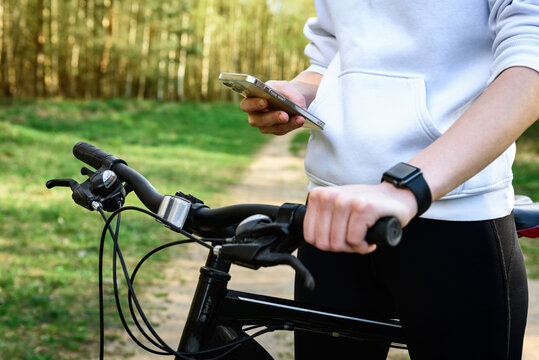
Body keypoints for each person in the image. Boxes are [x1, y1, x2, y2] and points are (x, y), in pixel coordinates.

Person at [240, 1, 539, 359]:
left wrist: (408, 187)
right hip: (333, 212)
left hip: (452, 218)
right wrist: (300, 94)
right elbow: (332, 56)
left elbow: (530, 55)